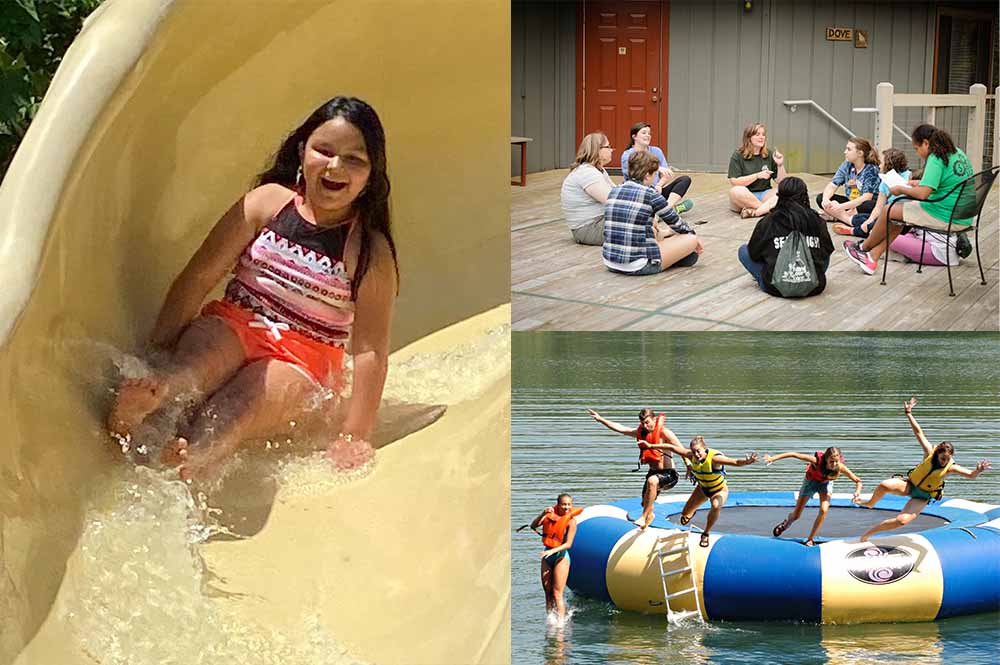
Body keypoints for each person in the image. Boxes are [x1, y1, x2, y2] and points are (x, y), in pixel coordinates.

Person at [107, 96, 398, 481]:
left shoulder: (369, 251)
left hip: (303, 358)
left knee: (238, 406)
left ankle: (191, 457)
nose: (335, 166)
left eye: (354, 160)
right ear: (301, 151)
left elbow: (370, 350)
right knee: (193, 369)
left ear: (370, 176)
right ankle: (142, 404)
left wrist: (353, 434)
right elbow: (199, 278)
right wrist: (155, 354)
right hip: (237, 321)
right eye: (324, 150)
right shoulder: (266, 204)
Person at [844, 124, 976, 275]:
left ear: (926, 143)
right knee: (901, 214)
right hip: (962, 214)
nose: (918, 153)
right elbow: (947, 183)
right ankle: (871, 258)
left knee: (889, 210)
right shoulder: (956, 153)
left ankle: (863, 247)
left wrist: (900, 189)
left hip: (946, 215)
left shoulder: (936, 158)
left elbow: (923, 195)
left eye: (917, 148)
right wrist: (918, 183)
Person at [857, 397, 991, 542]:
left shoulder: (951, 468)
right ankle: (870, 503)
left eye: (947, 458)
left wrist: (978, 470)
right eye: (942, 458)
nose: (944, 461)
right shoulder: (929, 452)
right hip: (910, 485)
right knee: (885, 485)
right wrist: (908, 413)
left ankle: (867, 534)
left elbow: (970, 475)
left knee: (901, 521)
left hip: (923, 496)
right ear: (938, 453)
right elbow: (918, 433)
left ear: (951, 457)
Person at [587, 408, 692, 529]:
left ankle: (643, 517)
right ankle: (649, 518)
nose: (646, 426)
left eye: (648, 422)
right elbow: (621, 428)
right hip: (653, 473)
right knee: (645, 502)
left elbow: (681, 449)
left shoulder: (665, 433)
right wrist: (601, 419)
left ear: (654, 419)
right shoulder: (641, 433)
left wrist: (688, 464)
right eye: (643, 423)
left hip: (669, 475)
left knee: (652, 481)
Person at [602, 152, 703, 276]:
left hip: (610, 261)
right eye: (654, 174)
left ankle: (673, 253)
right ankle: (674, 256)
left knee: (654, 227)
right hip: (638, 264)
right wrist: (693, 237)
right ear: (646, 175)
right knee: (691, 240)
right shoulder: (651, 194)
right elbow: (678, 224)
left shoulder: (614, 190)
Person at [737, 176, 834, 297]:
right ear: (804, 195)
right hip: (815, 286)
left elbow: (753, 254)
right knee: (823, 248)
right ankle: (811, 278)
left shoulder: (768, 221)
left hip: (775, 287)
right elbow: (828, 249)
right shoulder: (816, 220)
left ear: (779, 196)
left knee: (744, 250)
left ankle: (770, 278)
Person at [765, 447, 862, 546]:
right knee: (796, 515)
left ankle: (810, 539)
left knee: (824, 510)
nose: (834, 464)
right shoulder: (816, 461)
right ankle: (787, 523)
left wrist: (857, 492)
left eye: (836, 461)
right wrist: (773, 458)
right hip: (810, 483)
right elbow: (794, 454)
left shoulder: (840, 467)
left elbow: (858, 481)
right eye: (831, 461)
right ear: (826, 459)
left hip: (825, 484)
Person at [674, 436, 758, 547]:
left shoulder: (715, 459)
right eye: (694, 452)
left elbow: (735, 461)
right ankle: (691, 512)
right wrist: (650, 446)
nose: (696, 454)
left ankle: (706, 533)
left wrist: (747, 462)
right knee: (684, 514)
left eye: (698, 451)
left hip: (719, 490)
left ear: (705, 448)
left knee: (715, 505)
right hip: (703, 489)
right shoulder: (691, 455)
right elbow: (671, 448)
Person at [832, 147, 910, 239]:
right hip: (887, 215)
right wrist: (869, 220)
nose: (880, 166)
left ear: (889, 164)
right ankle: (854, 223)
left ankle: (853, 230)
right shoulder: (884, 182)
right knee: (864, 218)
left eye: (882, 163)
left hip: (904, 218)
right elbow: (878, 207)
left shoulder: (909, 177)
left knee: (877, 222)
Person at [620, 121, 694, 214]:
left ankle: (666, 209)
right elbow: (634, 173)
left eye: (649, 133)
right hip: (638, 194)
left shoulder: (656, 151)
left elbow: (666, 174)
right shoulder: (627, 155)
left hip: (656, 192)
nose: (648, 135)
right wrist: (657, 168)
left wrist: (659, 185)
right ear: (634, 136)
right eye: (644, 133)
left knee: (685, 179)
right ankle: (668, 211)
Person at [530, 493, 582, 623]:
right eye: (564, 504)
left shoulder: (571, 522)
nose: (566, 507)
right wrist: (542, 514)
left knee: (557, 593)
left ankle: (560, 624)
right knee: (548, 592)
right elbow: (533, 526)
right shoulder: (549, 516)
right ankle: (550, 620)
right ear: (558, 505)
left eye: (569, 504)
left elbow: (568, 544)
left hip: (561, 556)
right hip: (547, 556)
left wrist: (552, 551)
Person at [560, 132, 618, 245]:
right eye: (608, 146)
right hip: (589, 229)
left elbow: (616, 192)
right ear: (597, 150)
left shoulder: (598, 170)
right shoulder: (587, 173)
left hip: (598, 222)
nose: (611, 150)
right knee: (638, 222)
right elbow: (613, 202)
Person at [728, 122, 787, 218]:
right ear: (748, 137)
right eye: (757, 134)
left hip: (764, 195)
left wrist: (780, 165)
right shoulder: (738, 155)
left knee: (783, 192)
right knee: (735, 191)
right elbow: (735, 182)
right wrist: (757, 176)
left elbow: (782, 182)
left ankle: (755, 212)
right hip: (744, 196)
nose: (761, 137)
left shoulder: (769, 154)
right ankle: (767, 211)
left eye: (763, 134)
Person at [816, 137, 881, 224]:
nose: (845, 152)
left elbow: (866, 197)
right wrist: (825, 200)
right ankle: (849, 218)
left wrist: (840, 207)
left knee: (868, 205)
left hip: (864, 204)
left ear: (860, 153)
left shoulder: (871, 169)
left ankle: (841, 218)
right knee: (820, 198)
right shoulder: (847, 165)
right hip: (851, 203)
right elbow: (832, 185)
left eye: (849, 149)